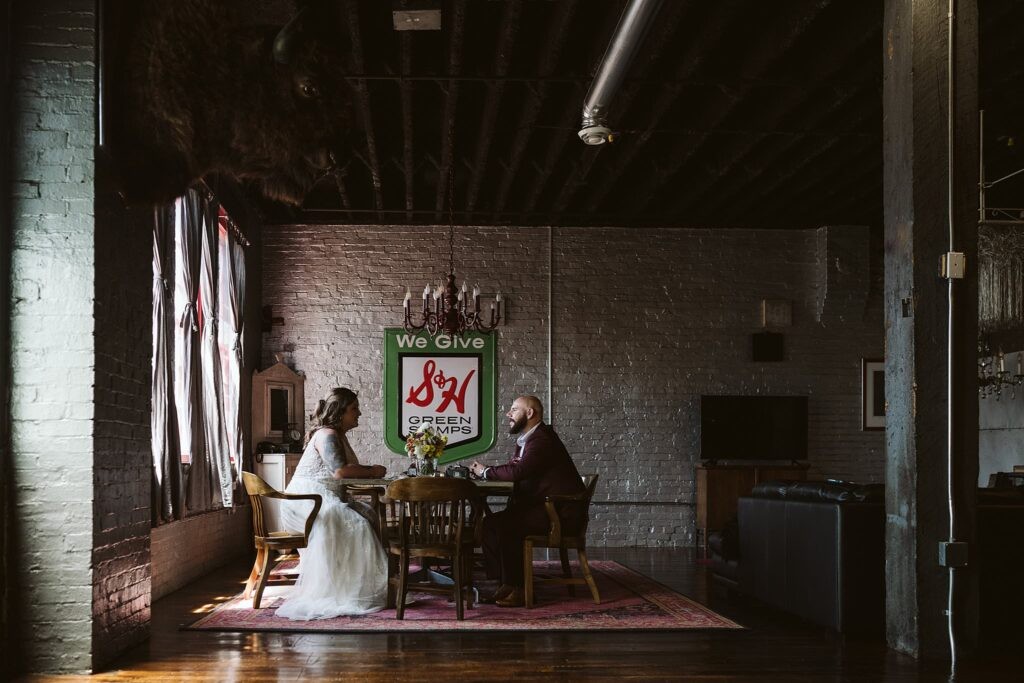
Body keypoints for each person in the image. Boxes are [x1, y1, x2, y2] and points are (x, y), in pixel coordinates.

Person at [275, 387, 389, 620]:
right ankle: (343, 592)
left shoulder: (336, 435)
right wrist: (374, 470)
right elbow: (340, 472)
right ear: (340, 412)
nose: (359, 414)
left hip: (321, 495)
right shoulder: (327, 434)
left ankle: (360, 586)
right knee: (356, 525)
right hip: (307, 499)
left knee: (366, 514)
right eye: (354, 409)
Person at [470, 395, 585, 607]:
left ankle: (520, 590)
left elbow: (519, 471)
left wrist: (486, 471)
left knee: (507, 525)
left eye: (514, 409)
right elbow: (517, 469)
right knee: (490, 524)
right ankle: (505, 584)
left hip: (559, 514)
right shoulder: (531, 439)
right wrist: (491, 472)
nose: (508, 414)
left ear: (530, 413)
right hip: (546, 508)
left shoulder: (542, 439)